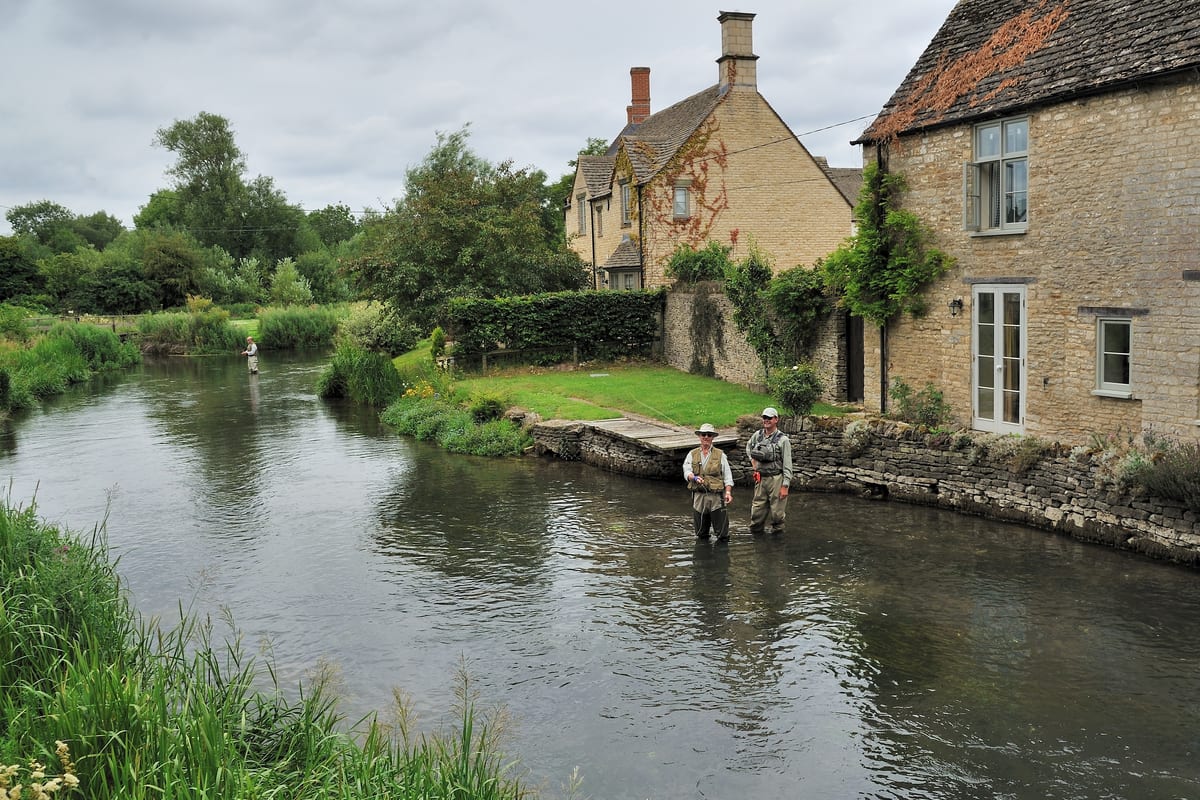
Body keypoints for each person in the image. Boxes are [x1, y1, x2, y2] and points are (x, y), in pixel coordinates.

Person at [683, 423, 734, 542]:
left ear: (713, 437)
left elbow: (728, 476)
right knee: (701, 533)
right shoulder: (692, 454)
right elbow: (686, 470)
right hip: (698, 497)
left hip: (716, 497)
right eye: (703, 435)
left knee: (722, 534)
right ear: (699, 436)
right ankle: (702, 557)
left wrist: (728, 493)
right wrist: (693, 477)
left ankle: (721, 557)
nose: (706, 437)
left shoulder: (721, 455)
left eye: (709, 435)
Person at [746, 407, 792, 535]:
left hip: (776, 479)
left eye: (769, 418)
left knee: (777, 514)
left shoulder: (783, 440)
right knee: (757, 512)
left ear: (776, 419)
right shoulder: (757, 435)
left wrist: (785, 486)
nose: (766, 420)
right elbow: (748, 447)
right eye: (764, 417)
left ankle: (777, 543)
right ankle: (756, 540)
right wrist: (753, 462)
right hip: (760, 479)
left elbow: (788, 465)